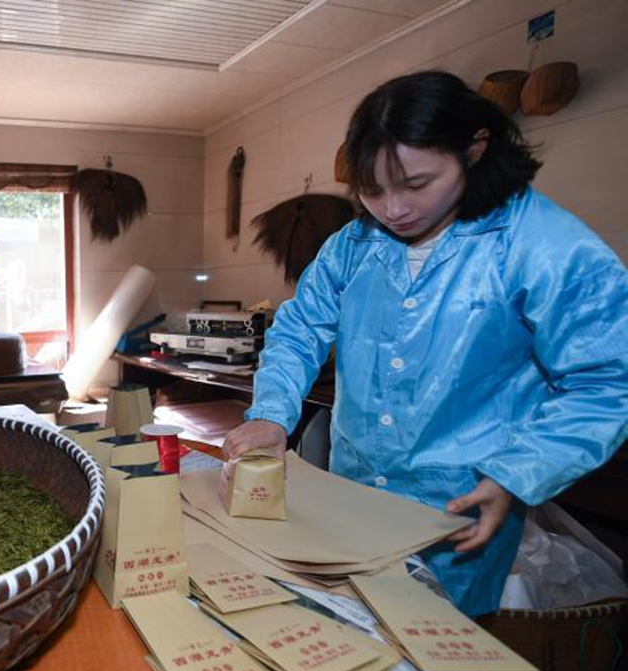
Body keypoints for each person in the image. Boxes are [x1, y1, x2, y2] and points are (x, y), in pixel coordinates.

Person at [223, 71, 627, 616]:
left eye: (416, 185)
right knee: (347, 629)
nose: (392, 209)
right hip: (355, 490)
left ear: (475, 149)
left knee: (439, 652)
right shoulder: (353, 244)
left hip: (463, 507)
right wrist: (272, 413)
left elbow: (606, 379)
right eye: (372, 190)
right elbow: (299, 329)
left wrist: (520, 470)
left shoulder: (541, 243)